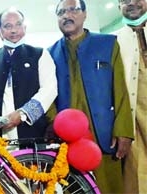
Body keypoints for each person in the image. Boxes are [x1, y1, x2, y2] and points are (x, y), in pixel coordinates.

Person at [48, 0, 134, 193]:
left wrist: (124, 130)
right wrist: (55, 125)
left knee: (110, 186)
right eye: (61, 12)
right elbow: (49, 95)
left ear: (85, 14)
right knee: (74, 187)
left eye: (73, 10)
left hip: (104, 133)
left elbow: (120, 89)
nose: (66, 15)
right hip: (68, 137)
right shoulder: (50, 53)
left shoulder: (107, 44)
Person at [0, 7, 57, 141]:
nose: (14, 30)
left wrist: (23, 113)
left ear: (24, 28)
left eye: (18, 24)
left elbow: (50, 89)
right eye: (8, 26)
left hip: (31, 130)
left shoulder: (40, 54)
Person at [114, 0, 147, 193]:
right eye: (125, 0)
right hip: (134, 120)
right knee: (137, 173)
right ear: (119, 6)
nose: (132, 3)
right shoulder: (113, 40)